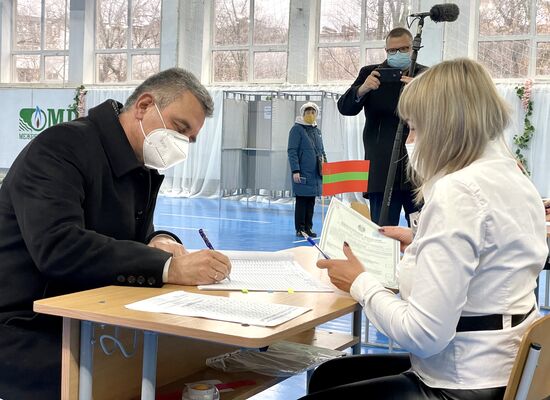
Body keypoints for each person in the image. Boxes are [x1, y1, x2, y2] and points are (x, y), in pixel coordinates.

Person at [301, 59, 548, 399]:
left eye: (414, 128)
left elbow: (423, 335)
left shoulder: (458, 191)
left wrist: (360, 283)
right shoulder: (512, 176)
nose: (410, 140)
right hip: (506, 366)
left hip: (462, 378)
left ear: (444, 128)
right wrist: (422, 240)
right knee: (330, 376)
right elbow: (494, 248)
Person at [0, 68, 232, 399]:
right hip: (28, 325)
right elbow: (58, 247)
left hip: (87, 316)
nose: (183, 144)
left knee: (190, 359)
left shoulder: (137, 166)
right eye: (180, 129)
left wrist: (161, 242)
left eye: (191, 139)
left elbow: (134, 238)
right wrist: (168, 267)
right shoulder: (61, 148)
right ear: (144, 106)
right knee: (140, 374)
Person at [337, 27, 427, 226]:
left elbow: (442, 116)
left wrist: (421, 93)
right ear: (385, 50)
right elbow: (345, 107)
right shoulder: (371, 73)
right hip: (381, 169)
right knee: (382, 231)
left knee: (421, 230)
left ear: (413, 48)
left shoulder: (426, 76)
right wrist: (362, 89)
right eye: (392, 51)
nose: (397, 55)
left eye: (403, 49)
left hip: (417, 168)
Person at [288, 102, 327, 237]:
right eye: (308, 112)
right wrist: (295, 170)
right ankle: (300, 228)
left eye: (313, 112)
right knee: (302, 201)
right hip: (303, 172)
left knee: (311, 201)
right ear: (303, 114)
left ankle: (308, 228)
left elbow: (322, 151)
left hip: (316, 173)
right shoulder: (297, 130)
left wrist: (325, 166)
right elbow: (292, 151)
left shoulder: (317, 131)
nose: (310, 114)